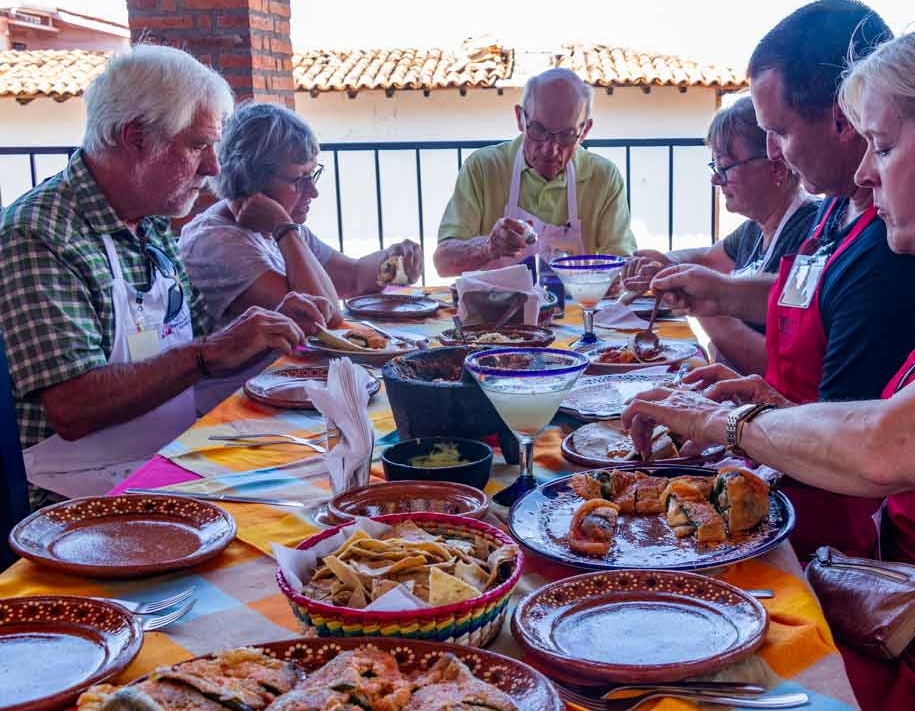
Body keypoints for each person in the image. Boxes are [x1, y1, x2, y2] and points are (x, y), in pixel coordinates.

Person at [623, 11, 915, 709]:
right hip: (906, 616)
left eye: (883, 147)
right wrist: (776, 409)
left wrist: (726, 423)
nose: (865, 172)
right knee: (652, 645)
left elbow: (896, 445)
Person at [639, 0, 915, 560]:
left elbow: (847, 446)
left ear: (841, 118)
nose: (774, 154)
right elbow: (820, 297)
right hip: (774, 468)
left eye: (778, 132)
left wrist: (728, 421)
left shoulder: (894, 249)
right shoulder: (836, 207)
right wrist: (723, 295)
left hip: (818, 530)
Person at [0, 46, 333, 506]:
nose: (214, 166)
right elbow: (73, 407)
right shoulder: (39, 233)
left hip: (173, 460)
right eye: (197, 146)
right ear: (135, 138)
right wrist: (209, 353)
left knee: (327, 484)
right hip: (81, 497)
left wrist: (264, 329)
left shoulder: (151, 222)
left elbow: (199, 339)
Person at [180, 103, 422, 410]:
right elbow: (323, 317)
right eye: (299, 179)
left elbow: (353, 278)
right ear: (252, 180)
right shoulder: (217, 241)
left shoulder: (282, 231)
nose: (313, 191)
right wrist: (284, 228)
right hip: (237, 408)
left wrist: (397, 265)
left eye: (313, 174)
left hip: (287, 390)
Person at [623, 97, 818, 375]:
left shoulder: (811, 235)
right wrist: (666, 263)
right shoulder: (755, 228)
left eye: (724, 167)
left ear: (775, 166)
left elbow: (779, 368)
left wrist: (704, 307)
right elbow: (705, 257)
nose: (716, 179)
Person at [433, 68, 636, 277]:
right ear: (520, 118)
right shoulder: (484, 168)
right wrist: (487, 248)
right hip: (496, 299)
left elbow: (623, 263)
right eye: (538, 130)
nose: (550, 150)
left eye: (566, 135)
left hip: (577, 299)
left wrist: (628, 273)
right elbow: (443, 263)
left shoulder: (603, 177)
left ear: (584, 131)